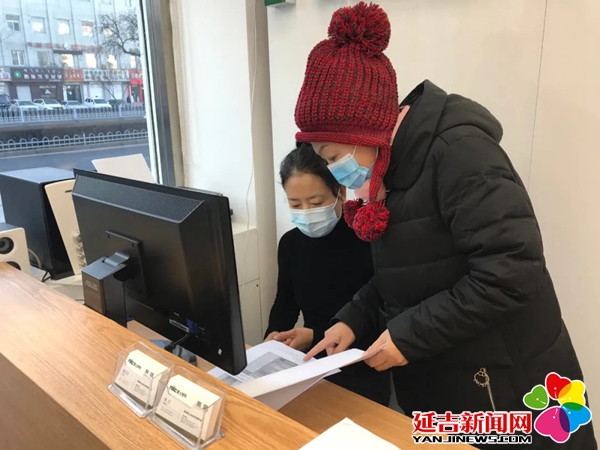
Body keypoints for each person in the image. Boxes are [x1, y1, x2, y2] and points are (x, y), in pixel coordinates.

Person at [297, 3, 596, 449]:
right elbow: (408, 273)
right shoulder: (391, 172)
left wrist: (409, 335)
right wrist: (353, 320)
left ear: (366, 131)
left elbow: (512, 272)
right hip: (449, 382)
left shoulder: (460, 154)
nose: (333, 169)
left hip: (509, 390)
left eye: (332, 155)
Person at [264, 145, 390, 406]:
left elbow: (379, 316)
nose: (306, 212)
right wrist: (272, 341)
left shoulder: (366, 240)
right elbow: (285, 304)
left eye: (316, 203)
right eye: (295, 204)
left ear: (340, 192)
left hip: (361, 364)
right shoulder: (290, 244)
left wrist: (315, 335)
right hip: (308, 362)